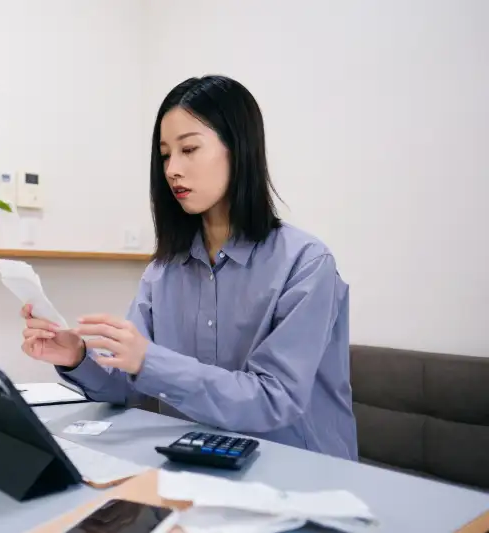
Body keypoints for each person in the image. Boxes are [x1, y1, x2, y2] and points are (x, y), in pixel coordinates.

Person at [20, 75, 357, 460]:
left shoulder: (306, 264)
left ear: (239, 148)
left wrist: (150, 360)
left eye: (189, 149)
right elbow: (128, 387)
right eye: (165, 155)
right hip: (194, 467)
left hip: (300, 475)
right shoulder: (163, 271)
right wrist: (77, 356)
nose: (172, 170)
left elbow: (273, 400)